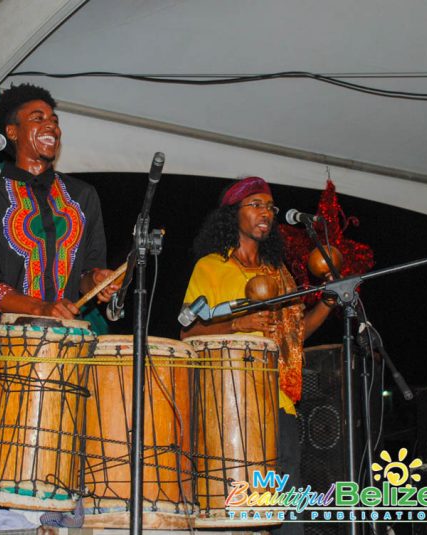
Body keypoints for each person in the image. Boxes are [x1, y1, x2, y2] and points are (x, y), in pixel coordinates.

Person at [0, 83, 119, 460]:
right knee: (4, 482)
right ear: (11, 132)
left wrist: (97, 282)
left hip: (73, 358)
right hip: (5, 361)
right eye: (38, 118)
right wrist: (40, 308)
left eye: (54, 119)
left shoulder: (82, 197)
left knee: (67, 480)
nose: (52, 125)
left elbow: (86, 273)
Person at [179, 176, 334, 535]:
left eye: (270, 207)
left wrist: (327, 302)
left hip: (279, 403)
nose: (266, 213)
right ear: (233, 214)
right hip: (229, 404)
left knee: (287, 510)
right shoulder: (211, 268)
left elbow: (294, 338)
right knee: (237, 509)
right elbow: (188, 334)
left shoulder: (279, 273)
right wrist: (239, 323)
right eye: (256, 205)